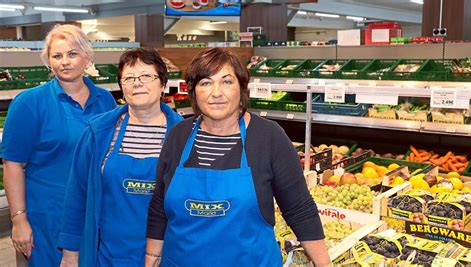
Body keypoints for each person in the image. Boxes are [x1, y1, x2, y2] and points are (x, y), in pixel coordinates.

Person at [145, 47, 330, 266]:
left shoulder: (268, 137)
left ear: (241, 88)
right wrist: (152, 257)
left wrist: (324, 264)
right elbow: (159, 205)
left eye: (226, 81)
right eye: (205, 83)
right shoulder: (178, 136)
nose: (216, 92)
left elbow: (299, 208)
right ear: (193, 91)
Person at [2, 24, 117, 266]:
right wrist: (19, 220)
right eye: (57, 55)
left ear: (87, 58)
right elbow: (13, 165)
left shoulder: (105, 100)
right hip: (47, 215)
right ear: (49, 61)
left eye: (72, 54)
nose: (64, 61)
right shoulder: (29, 103)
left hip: (92, 213)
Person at [58, 47, 183, 266]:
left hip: (167, 254)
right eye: (129, 78)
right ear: (122, 88)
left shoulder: (183, 135)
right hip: (109, 255)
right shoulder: (99, 132)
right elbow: (77, 193)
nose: (137, 83)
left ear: (162, 83)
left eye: (146, 76)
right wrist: (71, 252)